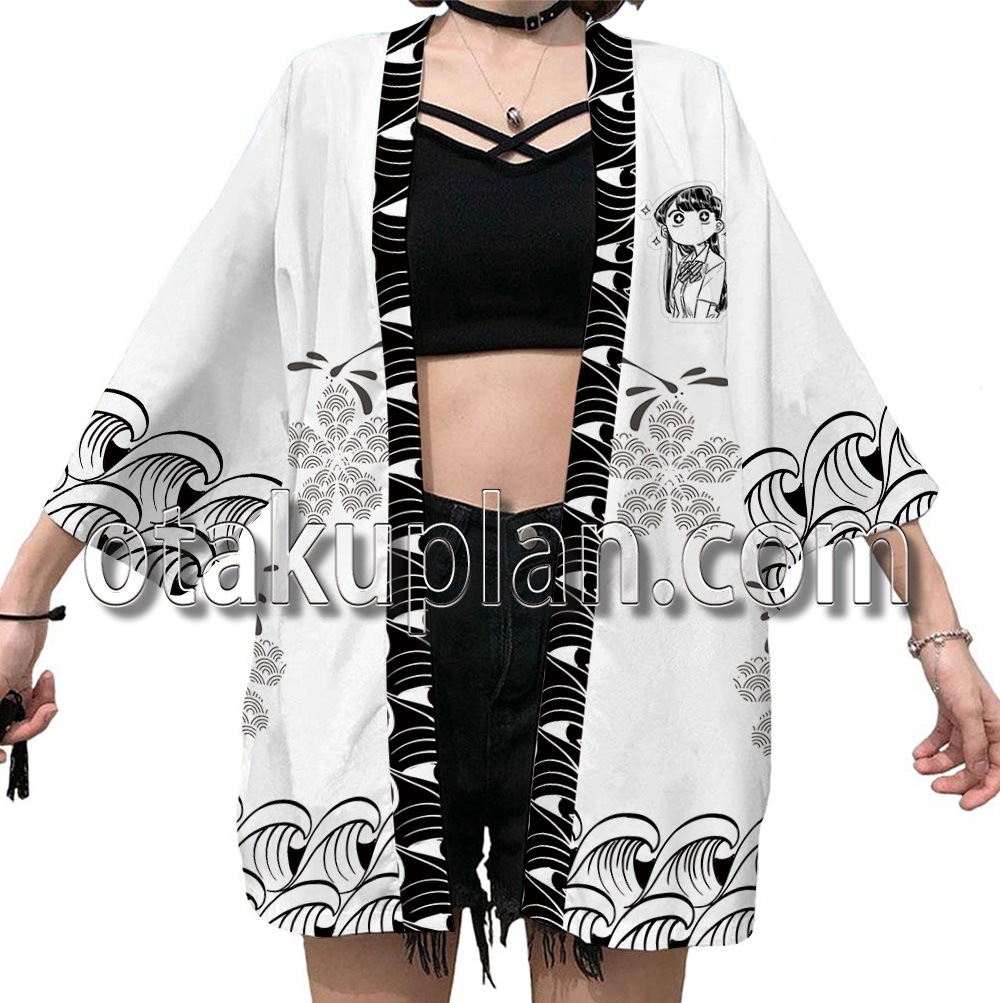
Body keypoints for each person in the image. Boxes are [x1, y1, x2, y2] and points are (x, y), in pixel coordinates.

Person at [2, 3, 997, 1002]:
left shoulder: (684, 98)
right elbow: (191, 340)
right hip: (373, 620)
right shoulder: (330, 93)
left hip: (635, 620)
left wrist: (937, 628)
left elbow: (798, 363)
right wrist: (22, 605)